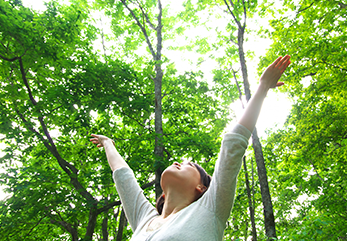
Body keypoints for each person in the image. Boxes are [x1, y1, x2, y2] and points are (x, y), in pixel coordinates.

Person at [90, 55, 291, 240]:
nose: (178, 162)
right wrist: (108, 143)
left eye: (189, 165)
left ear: (201, 187)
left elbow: (233, 145)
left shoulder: (210, 209)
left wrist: (263, 87)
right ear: (162, 194)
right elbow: (124, 177)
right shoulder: (143, 219)